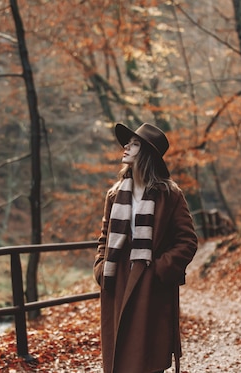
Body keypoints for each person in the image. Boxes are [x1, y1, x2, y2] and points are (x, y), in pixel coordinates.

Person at [93, 122, 198, 373]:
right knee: (120, 358)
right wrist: (100, 267)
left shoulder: (170, 195)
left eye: (135, 144)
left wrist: (160, 268)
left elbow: (188, 241)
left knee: (148, 358)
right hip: (117, 282)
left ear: (147, 153)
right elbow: (104, 237)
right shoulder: (114, 194)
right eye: (128, 143)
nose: (126, 147)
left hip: (150, 285)